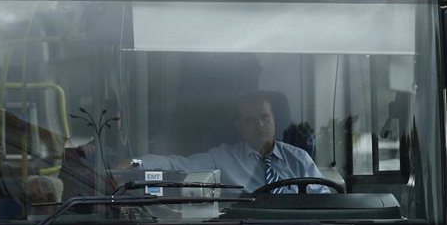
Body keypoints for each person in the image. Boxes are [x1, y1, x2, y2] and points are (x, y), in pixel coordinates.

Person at [135, 91, 329, 193]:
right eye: (250, 120)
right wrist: (137, 164)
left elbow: (324, 203)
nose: (259, 125)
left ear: (274, 120)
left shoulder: (299, 159)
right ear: (239, 126)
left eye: (265, 117)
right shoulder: (222, 158)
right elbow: (176, 164)